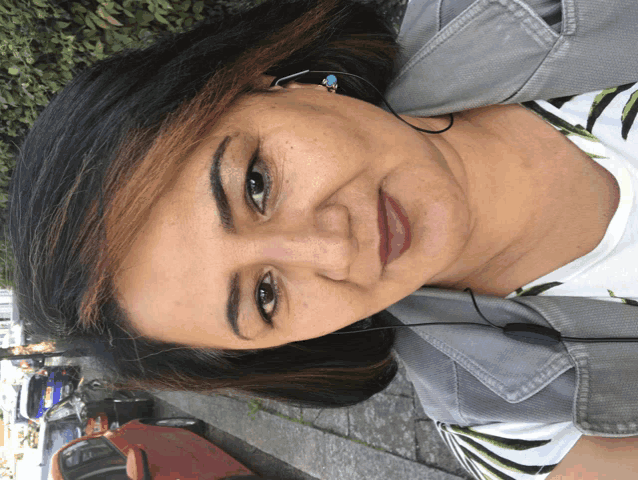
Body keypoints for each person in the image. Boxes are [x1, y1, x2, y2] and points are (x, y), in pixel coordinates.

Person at [8, 0, 638, 478]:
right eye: (263, 296)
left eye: (255, 185)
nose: (333, 251)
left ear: (263, 80)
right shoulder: (519, 430)